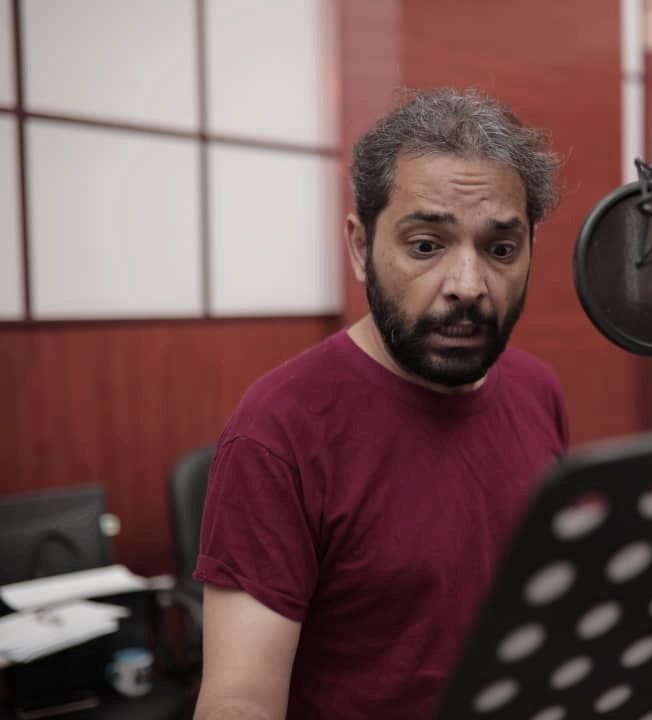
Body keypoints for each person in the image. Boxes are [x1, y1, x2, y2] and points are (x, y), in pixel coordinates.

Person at [192, 88, 569, 720]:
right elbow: (240, 701)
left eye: (500, 250)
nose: (469, 286)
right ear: (360, 246)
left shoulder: (539, 390)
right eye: (425, 245)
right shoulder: (279, 429)